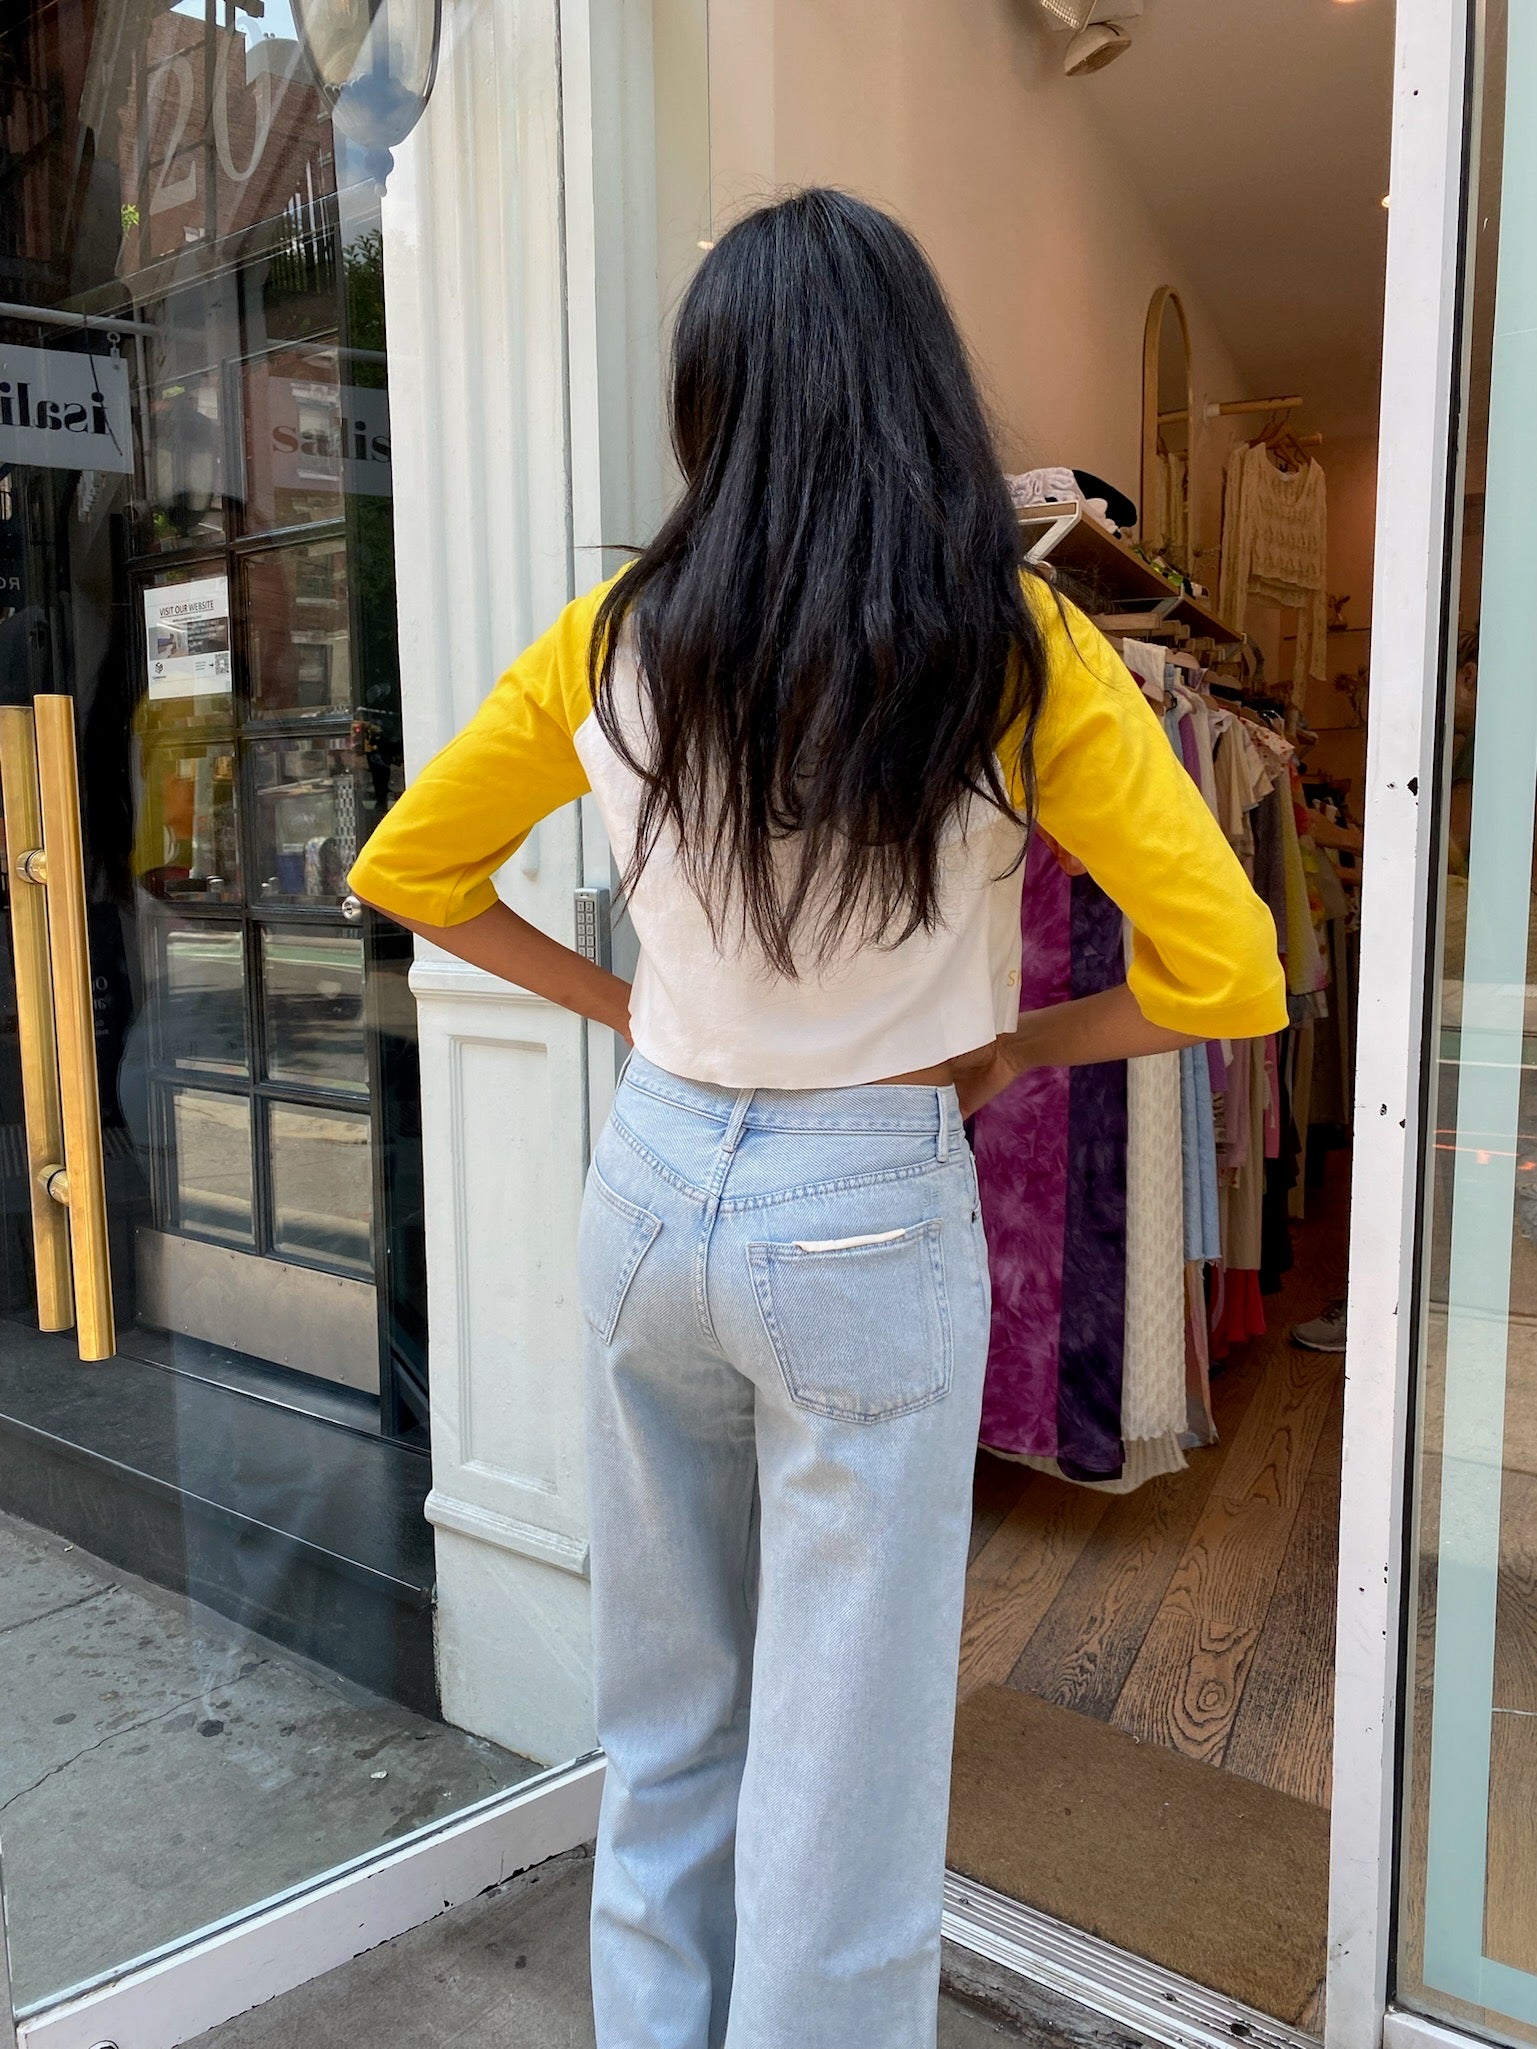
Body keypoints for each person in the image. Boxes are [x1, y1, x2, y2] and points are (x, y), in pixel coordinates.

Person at [350, 190, 1286, 2049]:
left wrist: (637, 1013)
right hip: (864, 1220)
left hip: (650, 1188)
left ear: (715, 406)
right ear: (913, 395)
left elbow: (414, 868)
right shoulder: (1011, 642)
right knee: (841, 1798)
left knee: (669, 1721)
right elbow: (1229, 974)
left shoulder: (616, 632)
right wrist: (1021, 1051)